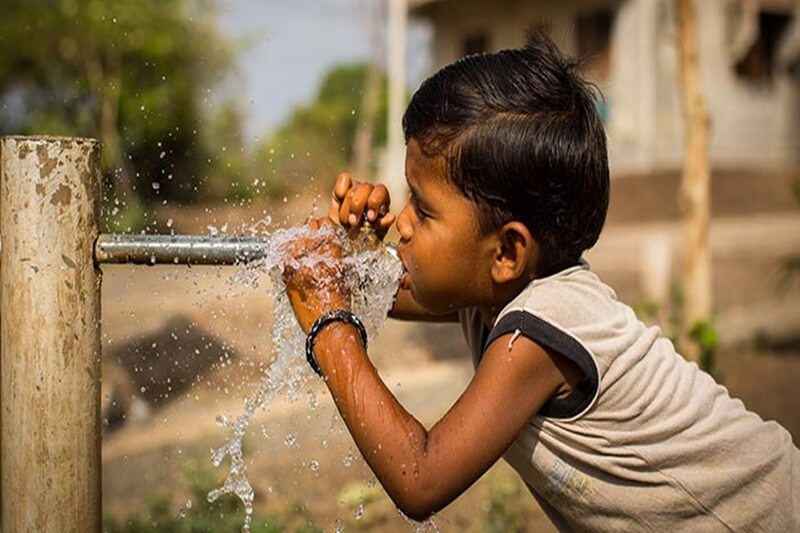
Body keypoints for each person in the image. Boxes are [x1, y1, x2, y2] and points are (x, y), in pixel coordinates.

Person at [282, 34, 799, 530]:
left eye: (424, 207)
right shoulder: (494, 286)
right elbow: (385, 290)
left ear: (506, 250)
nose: (403, 222)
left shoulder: (541, 327)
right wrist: (351, 253)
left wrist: (329, 323)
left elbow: (421, 479)